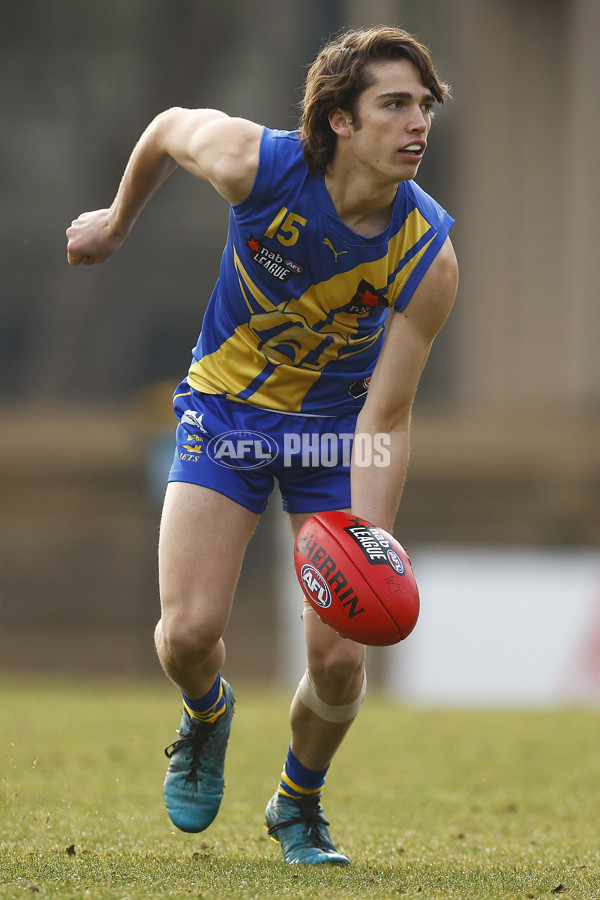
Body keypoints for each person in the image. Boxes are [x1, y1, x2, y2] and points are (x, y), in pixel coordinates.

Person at [66, 25, 458, 866]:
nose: (417, 123)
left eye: (424, 106)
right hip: (225, 415)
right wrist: (117, 221)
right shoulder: (259, 164)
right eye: (394, 104)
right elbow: (168, 125)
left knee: (342, 660)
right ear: (341, 120)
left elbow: (386, 417)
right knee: (186, 634)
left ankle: (298, 806)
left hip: (329, 435)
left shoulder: (427, 256)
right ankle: (206, 713)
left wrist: (372, 541)